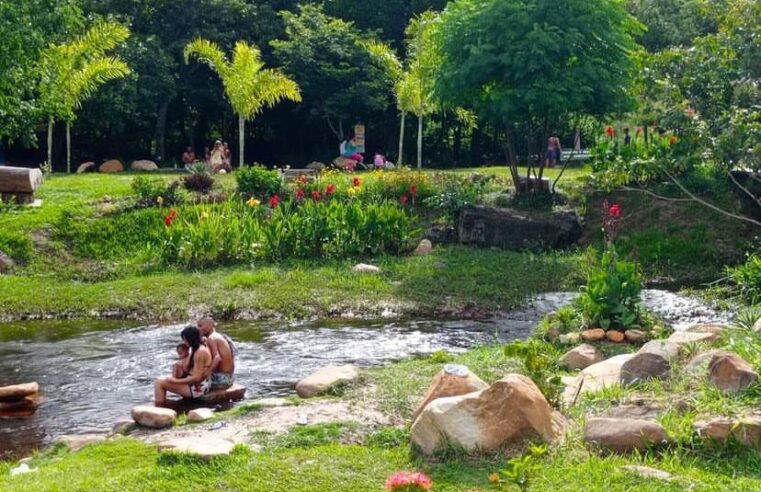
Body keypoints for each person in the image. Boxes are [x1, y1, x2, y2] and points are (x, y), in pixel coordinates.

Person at [154, 326, 212, 405]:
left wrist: (176, 381)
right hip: (200, 384)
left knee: (159, 382)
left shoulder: (199, 352)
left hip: (198, 389)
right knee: (161, 379)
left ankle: (160, 407)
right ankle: (162, 404)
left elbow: (196, 377)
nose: (184, 342)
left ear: (190, 338)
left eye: (185, 339)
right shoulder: (199, 347)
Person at [197, 318, 236, 390]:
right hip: (229, 378)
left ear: (210, 326)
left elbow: (217, 358)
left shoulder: (211, 338)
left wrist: (208, 372)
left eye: (200, 326)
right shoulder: (217, 335)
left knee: (192, 378)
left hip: (222, 380)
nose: (198, 328)